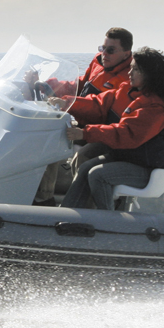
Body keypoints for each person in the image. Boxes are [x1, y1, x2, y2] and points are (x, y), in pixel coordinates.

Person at [55, 47, 164, 210]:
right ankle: (67, 214)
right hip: (130, 156)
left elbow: (127, 134)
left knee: (98, 175)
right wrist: (67, 103)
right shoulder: (129, 91)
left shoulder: (156, 107)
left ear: (150, 74)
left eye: (136, 69)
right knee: (85, 167)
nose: (130, 73)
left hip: (147, 168)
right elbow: (99, 104)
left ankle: (107, 220)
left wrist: (85, 133)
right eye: (131, 68)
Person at [30, 27, 134, 205]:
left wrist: (67, 103)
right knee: (47, 138)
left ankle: (85, 207)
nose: (104, 54)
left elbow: (99, 108)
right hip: (83, 123)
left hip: (103, 130)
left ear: (126, 54)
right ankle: (44, 199)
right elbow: (80, 86)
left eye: (110, 50)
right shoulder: (99, 62)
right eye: (102, 48)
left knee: (83, 157)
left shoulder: (128, 78)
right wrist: (48, 85)